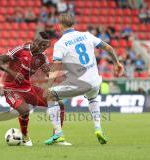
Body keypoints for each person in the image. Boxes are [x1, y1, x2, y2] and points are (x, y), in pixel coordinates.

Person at [44, 13, 124, 145]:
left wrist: (48, 84)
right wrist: (116, 63)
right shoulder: (87, 35)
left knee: (49, 94)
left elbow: (56, 66)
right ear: (73, 24)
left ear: (60, 26)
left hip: (79, 84)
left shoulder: (60, 44)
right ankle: (98, 129)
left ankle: (58, 134)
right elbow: (108, 47)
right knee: (92, 98)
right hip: (95, 81)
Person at [0, 32, 71, 146]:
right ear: (35, 41)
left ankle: (57, 136)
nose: (44, 49)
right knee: (24, 111)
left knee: (59, 103)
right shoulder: (20, 50)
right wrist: (12, 73)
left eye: (46, 47)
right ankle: (24, 136)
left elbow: (49, 72)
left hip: (28, 88)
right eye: (42, 45)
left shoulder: (41, 58)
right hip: (11, 89)